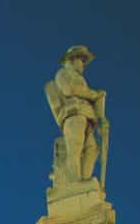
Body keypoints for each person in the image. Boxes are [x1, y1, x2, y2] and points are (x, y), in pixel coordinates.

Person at [45, 45, 107, 185]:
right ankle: (74, 181)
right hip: (73, 114)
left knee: (92, 149)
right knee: (75, 147)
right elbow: (69, 89)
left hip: (86, 116)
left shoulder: (79, 77)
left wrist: (100, 117)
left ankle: (84, 179)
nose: (84, 64)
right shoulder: (63, 73)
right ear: (73, 59)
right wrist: (93, 94)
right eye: (82, 60)